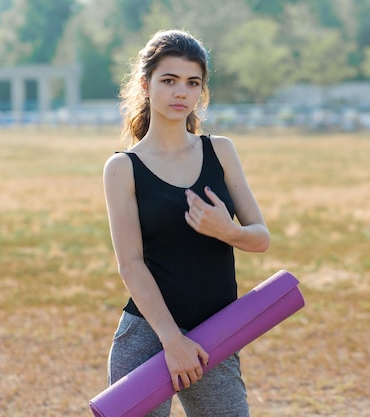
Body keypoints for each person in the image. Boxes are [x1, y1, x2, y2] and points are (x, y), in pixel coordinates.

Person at [102, 29, 270, 416]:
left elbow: (260, 238)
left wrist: (226, 231)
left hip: (215, 335)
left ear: (201, 92)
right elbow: (130, 264)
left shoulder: (221, 151)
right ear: (145, 85)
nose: (181, 92)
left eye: (192, 83)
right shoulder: (123, 168)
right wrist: (171, 340)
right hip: (148, 335)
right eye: (169, 80)